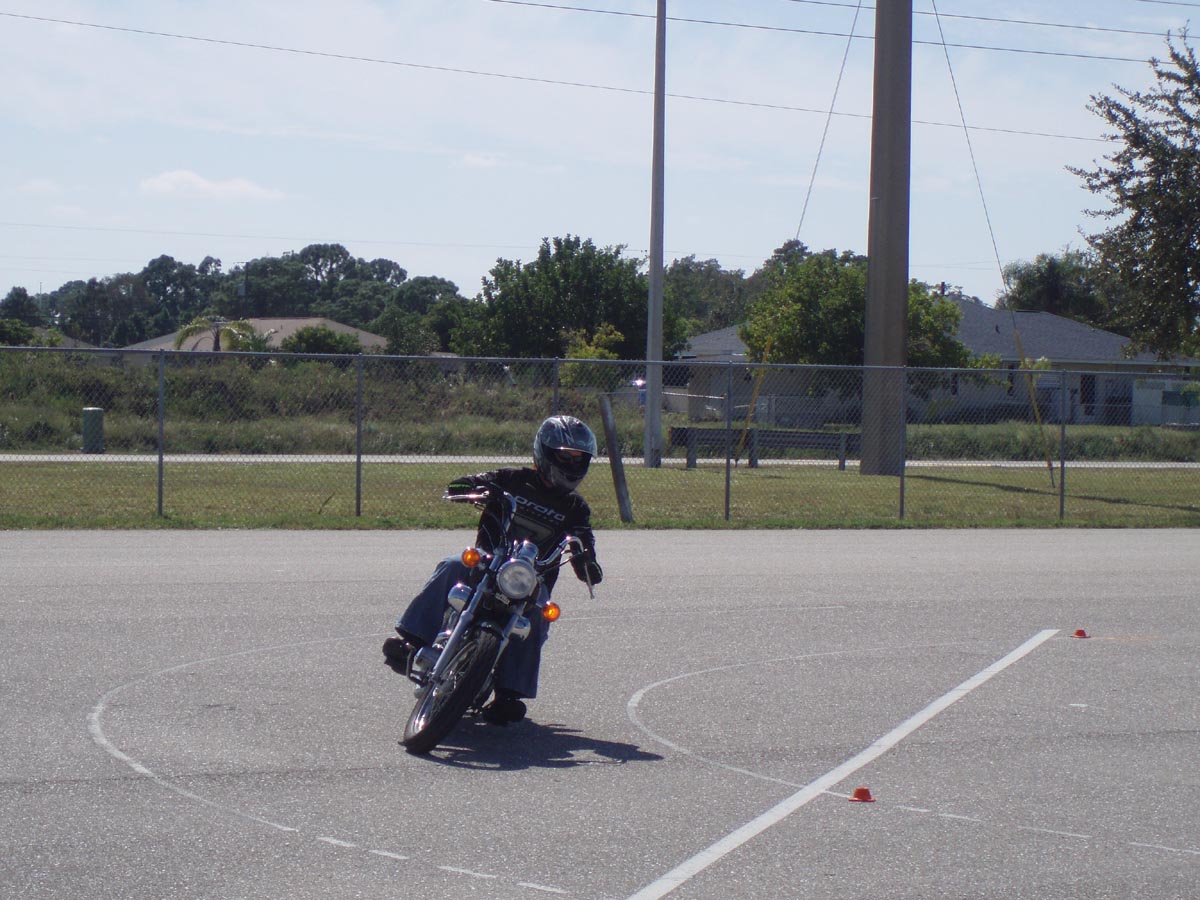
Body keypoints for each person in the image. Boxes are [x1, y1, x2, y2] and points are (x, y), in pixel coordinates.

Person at [383, 415, 603, 725]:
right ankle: (412, 640)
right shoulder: (511, 479)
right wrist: (470, 487)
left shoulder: (576, 508)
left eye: (579, 458)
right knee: (453, 564)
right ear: (545, 452)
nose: (573, 463)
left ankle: (509, 694)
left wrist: (587, 561)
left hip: (530, 581)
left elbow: (584, 539)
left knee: (540, 613)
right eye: (566, 456)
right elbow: (469, 482)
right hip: (488, 562)